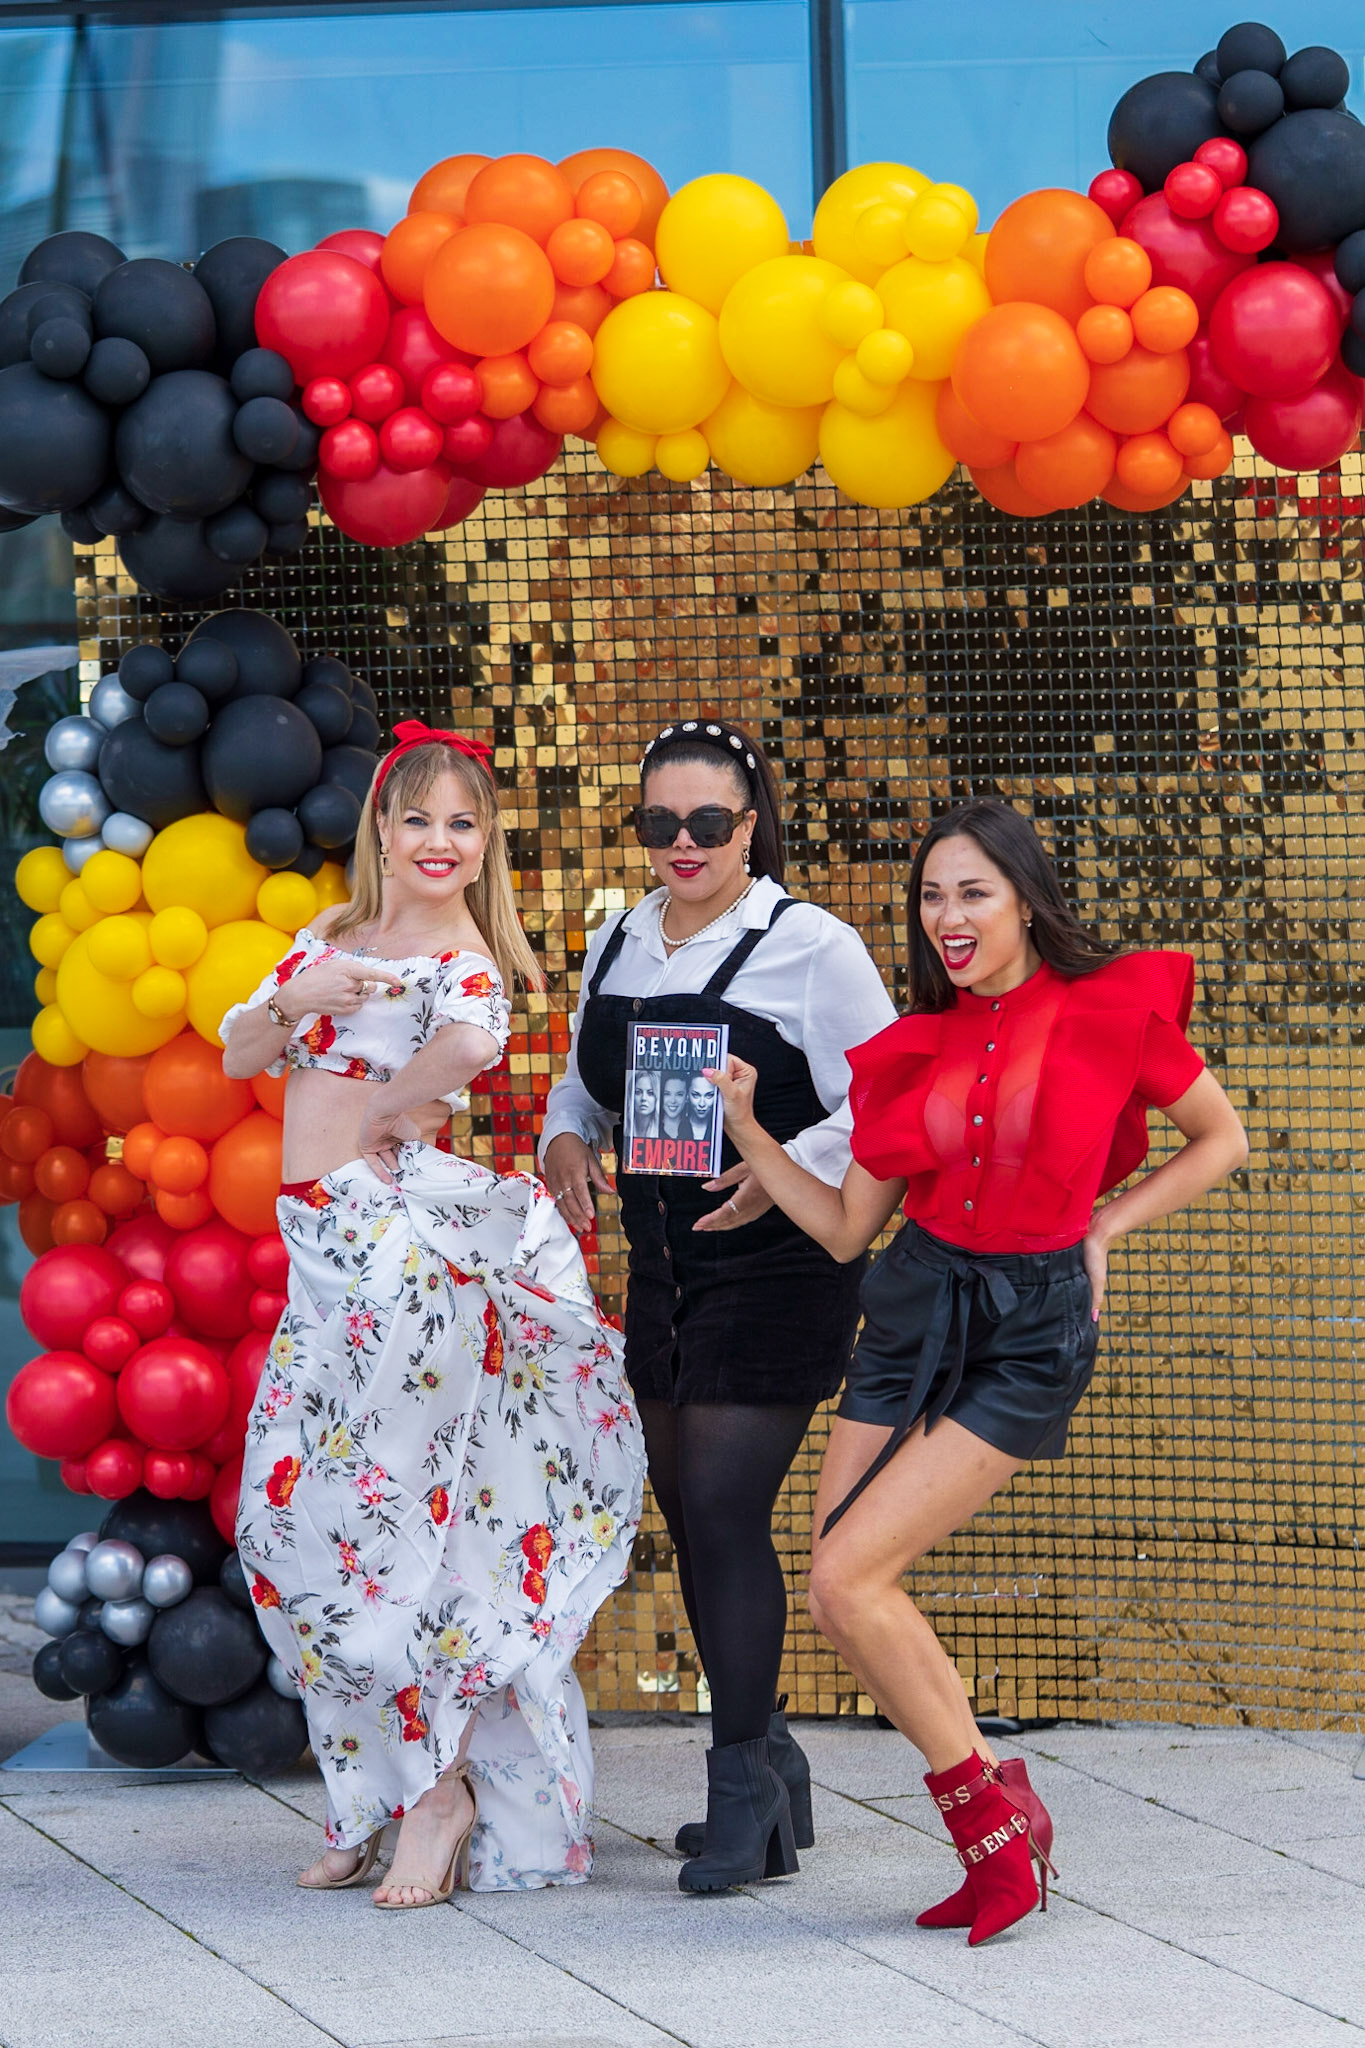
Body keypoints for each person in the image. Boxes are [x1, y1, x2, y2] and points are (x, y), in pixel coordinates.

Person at [704, 799, 1248, 1944]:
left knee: (853, 1574)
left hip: (1031, 1327)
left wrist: (1105, 1224)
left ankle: (991, 1833)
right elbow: (845, 1229)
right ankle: (998, 1797)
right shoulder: (916, 1047)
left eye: (973, 892)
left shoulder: (1113, 1011)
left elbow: (1221, 1137)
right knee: (839, 1585)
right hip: (912, 1312)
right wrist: (751, 1133)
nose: (947, 916)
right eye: (932, 895)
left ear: (1025, 900)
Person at [221, 720, 645, 1909]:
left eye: (462, 821)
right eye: (418, 818)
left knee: (395, 1525)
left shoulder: (461, 952)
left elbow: (473, 1036)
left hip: (392, 1256)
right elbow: (240, 1050)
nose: (439, 840)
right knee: (293, 1520)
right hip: (321, 1250)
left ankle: (439, 1793)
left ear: (486, 837)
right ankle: (370, 1789)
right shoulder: (336, 935)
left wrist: (381, 1110)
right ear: (383, 827)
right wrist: (296, 995)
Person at [540, 716, 896, 1892]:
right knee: (690, 1514)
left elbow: (888, 1096)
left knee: (727, 1508)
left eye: (706, 821)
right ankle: (775, 1768)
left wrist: (782, 1162)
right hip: (663, 1272)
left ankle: (742, 1787)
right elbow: (581, 1086)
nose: (681, 843)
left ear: (751, 825)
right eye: (659, 822)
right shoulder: (618, 938)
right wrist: (564, 1137)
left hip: (780, 1265)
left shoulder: (812, 945)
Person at [630, 1070, 661, 1140]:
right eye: (638, 1092)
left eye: (650, 1093)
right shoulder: (624, 1130)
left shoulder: (663, 1133)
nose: (643, 1098)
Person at [660, 1072, 688, 1140]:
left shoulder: (692, 1128)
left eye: (679, 1094)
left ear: (687, 1097)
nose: (673, 1101)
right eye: (667, 1094)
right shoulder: (652, 1128)